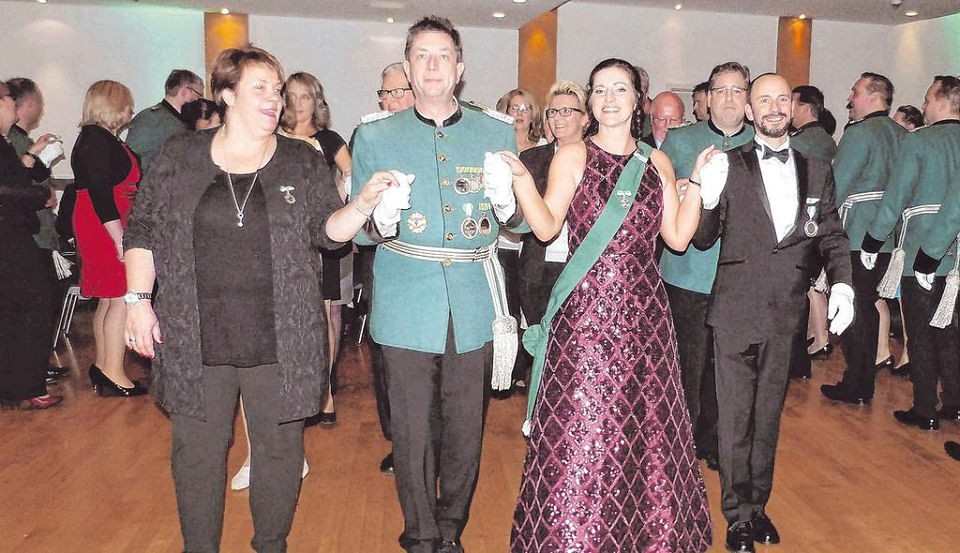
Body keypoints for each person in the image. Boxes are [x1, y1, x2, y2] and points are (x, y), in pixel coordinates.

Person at [123, 46, 393, 553]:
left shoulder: (301, 160)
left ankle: (271, 545)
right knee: (197, 455)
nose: (275, 98)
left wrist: (360, 206)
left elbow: (329, 234)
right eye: (261, 88)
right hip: (194, 334)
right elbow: (144, 228)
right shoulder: (180, 157)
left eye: (277, 88)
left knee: (278, 452)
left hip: (281, 336)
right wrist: (138, 300)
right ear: (225, 94)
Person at [509, 58, 711, 552]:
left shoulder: (656, 161)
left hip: (646, 316)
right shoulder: (573, 154)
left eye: (619, 88)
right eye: (600, 90)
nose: (609, 97)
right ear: (591, 102)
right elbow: (546, 226)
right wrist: (519, 180)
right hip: (585, 315)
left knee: (647, 430)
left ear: (637, 100)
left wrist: (699, 184)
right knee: (583, 427)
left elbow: (679, 238)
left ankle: (649, 534)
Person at [350, 16, 523, 553]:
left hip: (473, 302)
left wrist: (506, 205)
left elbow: (517, 224)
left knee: (465, 429)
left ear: (460, 68)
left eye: (442, 55)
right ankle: (421, 533)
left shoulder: (495, 132)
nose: (431, 65)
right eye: (421, 55)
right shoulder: (375, 136)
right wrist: (380, 219)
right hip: (405, 302)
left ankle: (452, 527)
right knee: (412, 429)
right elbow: (362, 233)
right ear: (406, 66)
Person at [692, 73, 853, 553]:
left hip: (786, 313)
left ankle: (758, 505)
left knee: (768, 417)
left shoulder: (817, 168)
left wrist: (843, 280)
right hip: (736, 312)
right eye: (764, 100)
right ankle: (736, 515)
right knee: (736, 418)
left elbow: (830, 234)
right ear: (749, 110)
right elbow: (702, 239)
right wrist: (705, 194)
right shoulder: (729, 164)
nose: (775, 107)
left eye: (782, 99)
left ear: (793, 106)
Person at [659, 61, 756, 471]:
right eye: (722, 90)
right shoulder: (681, 143)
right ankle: (679, 440)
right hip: (690, 272)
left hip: (744, 276)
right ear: (707, 98)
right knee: (687, 363)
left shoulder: (765, 144)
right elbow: (656, 201)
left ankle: (719, 441)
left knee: (731, 366)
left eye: (738, 90)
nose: (730, 98)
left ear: (747, 99)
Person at [861, 75, 960, 431]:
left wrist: (873, 239)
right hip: (957, 255)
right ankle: (954, 401)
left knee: (920, 331)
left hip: (923, 247)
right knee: (951, 330)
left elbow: (896, 196)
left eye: (928, 98)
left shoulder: (920, 142)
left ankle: (924, 407)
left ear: (944, 101)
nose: (925, 105)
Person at [820, 72, 905, 406]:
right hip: (889, 237)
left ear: (872, 96)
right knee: (868, 307)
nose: (850, 99)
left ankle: (857, 382)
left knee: (853, 311)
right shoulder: (903, 135)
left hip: (857, 235)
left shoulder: (858, 134)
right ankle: (861, 379)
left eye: (855, 93)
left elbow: (837, 184)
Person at [282, 71, 354, 426]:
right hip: (284, 242)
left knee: (324, 316)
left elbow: (354, 175)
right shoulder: (273, 138)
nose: (298, 103)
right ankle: (295, 390)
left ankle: (325, 394)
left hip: (323, 240)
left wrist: (339, 202)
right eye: (292, 96)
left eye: (305, 96)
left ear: (317, 101)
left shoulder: (328, 139)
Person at [71, 80, 147, 397]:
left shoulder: (96, 138)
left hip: (99, 222)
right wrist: (119, 237)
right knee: (118, 296)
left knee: (109, 297)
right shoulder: (98, 141)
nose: (130, 110)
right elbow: (102, 194)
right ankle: (114, 372)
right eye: (126, 103)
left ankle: (106, 367)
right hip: (105, 224)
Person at [515, 80, 588, 391]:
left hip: (581, 268)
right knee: (540, 345)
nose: (558, 118)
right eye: (552, 111)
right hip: (537, 268)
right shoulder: (532, 159)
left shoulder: (597, 159)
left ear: (585, 118)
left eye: (567, 111)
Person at [365, 61, 418, 476]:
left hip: (433, 271)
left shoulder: (437, 138)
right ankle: (400, 443)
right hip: (386, 264)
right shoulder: (371, 139)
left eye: (399, 91)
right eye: (386, 93)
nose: (392, 100)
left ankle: (426, 445)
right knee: (386, 363)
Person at [0, 79, 62, 410]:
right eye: (10, 100)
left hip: (11, 236)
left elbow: (11, 179)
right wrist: (41, 195)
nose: (14, 105)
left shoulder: (5, 143)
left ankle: (16, 384)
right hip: (9, 238)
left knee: (13, 311)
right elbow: (7, 191)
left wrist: (30, 158)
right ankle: (28, 385)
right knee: (34, 306)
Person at [495, 88, 543, 393]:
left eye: (526, 108)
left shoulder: (543, 149)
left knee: (531, 308)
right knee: (506, 308)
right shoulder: (497, 147)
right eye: (514, 107)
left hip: (532, 242)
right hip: (501, 242)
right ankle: (505, 372)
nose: (520, 113)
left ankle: (529, 368)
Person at [788, 84, 837, 379]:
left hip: (803, 228)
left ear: (805, 107)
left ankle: (797, 360)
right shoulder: (828, 141)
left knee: (797, 292)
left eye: (790, 103)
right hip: (822, 225)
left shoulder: (803, 143)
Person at [126, 69, 203, 174]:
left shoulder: (186, 121)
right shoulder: (149, 119)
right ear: (185, 91)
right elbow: (130, 159)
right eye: (198, 95)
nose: (198, 100)